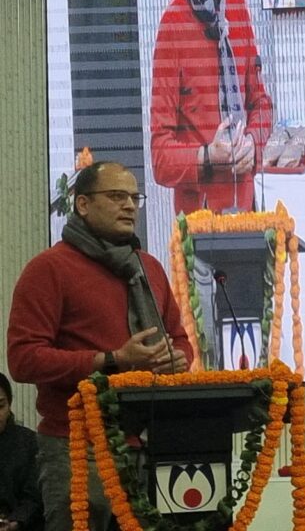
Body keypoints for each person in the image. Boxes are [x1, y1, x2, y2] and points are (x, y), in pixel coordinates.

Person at [6, 162, 193, 531]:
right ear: (83, 204)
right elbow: (22, 359)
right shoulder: (49, 268)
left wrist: (176, 359)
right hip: (76, 447)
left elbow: (181, 340)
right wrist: (112, 359)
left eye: (134, 198)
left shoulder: (148, 268)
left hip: (147, 444)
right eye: (117, 196)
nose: (130, 206)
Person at [150, 0, 274, 213]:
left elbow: (261, 104)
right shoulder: (173, 23)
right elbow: (160, 157)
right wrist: (207, 157)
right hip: (199, 221)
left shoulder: (237, 4)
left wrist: (252, 144)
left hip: (245, 211)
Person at [0, 372, 43, 531]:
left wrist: (15, 522)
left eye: (0, 406)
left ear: (9, 405)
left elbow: (35, 497)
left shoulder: (29, 442)